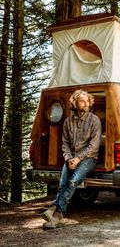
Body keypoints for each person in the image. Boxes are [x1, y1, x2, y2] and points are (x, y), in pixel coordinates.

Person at [42, 89, 102, 229]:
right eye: (82, 101)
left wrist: (78, 159)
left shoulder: (95, 120)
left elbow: (94, 146)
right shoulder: (68, 122)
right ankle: (58, 217)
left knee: (73, 180)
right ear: (75, 103)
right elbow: (65, 144)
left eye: (88, 101)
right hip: (72, 158)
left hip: (89, 158)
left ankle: (54, 211)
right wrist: (69, 158)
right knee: (63, 182)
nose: (86, 103)